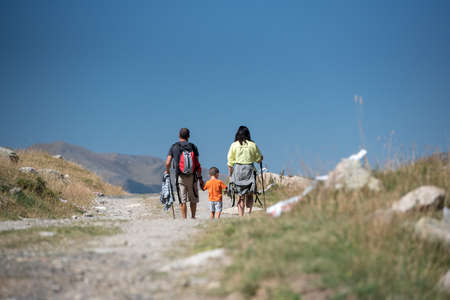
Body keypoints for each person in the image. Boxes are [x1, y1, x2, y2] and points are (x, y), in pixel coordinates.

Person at [165, 128, 203, 219]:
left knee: (183, 200)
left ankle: (184, 219)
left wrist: (167, 171)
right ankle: (193, 217)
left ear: (179, 135)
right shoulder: (193, 146)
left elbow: (168, 162)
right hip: (193, 176)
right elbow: (197, 164)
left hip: (180, 177)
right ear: (188, 136)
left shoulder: (174, 147)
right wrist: (200, 178)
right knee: (193, 198)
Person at [227, 126, 263, 216]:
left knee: (240, 194)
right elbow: (258, 159)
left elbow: (230, 162)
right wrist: (260, 158)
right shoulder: (252, 145)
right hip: (249, 170)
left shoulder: (234, 145)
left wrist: (230, 175)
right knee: (250, 193)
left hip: (238, 170)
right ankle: (249, 213)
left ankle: (241, 215)